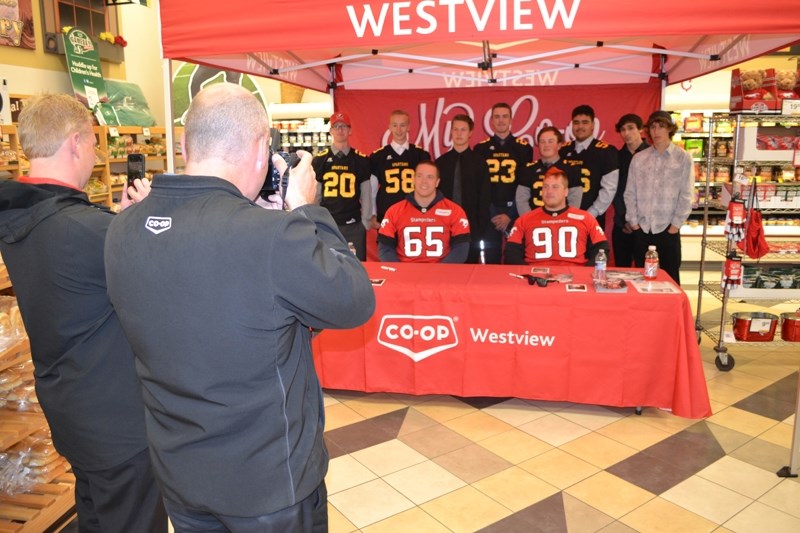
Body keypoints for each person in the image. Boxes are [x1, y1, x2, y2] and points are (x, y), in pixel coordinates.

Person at [103, 83, 376, 531]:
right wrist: (307, 210)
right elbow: (354, 301)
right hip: (267, 483)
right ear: (260, 149)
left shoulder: (122, 227)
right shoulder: (271, 235)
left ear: (185, 144)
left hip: (180, 474)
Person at [0, 94, 167, 532]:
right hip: (120, 424)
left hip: (72, 411)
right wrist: (140, 225)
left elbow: (76, 264)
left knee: (96, 515)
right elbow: (165, 287)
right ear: (75, 142)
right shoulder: (91, 232)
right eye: (94, 143)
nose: (96, 155)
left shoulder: (24, 216)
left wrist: (117, 224)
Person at [624, 110, 693, 284]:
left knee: (671, 280)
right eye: (653, 127)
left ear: (670, 129)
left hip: (668, 229)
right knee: (642, 278)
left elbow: (686, 194)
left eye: (661, 127)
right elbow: (630, 192)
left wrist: (675, 226)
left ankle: (671, 311)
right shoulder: (639, 159)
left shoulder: (682, 158)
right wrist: (634, 223)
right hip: (642, 229)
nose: (656, 131)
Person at [504, 167, 608, 266]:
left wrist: (586, 273)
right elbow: (511, 252)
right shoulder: (524, 219)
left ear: (566, 191)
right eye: (545, 187)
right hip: (535, 277)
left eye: (555, 187)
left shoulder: (586, 218)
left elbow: (602, 248)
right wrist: (526, 274)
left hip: (574, 277)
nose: (549, 191)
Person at [473, 102, 533, 264]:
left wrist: (510, 214)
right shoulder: (480, 149)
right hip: (489, 211)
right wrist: (492, 213)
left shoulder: (524, 148)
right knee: (490, 257)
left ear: (511, 119)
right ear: (491, 120)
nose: (501, 121)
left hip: (514, 211)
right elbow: (480, 186)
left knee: (514, 256)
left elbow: (524, 186)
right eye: (497, 117)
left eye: (505, 116)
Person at [378, 160, 471, 263]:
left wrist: (440, 273)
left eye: (430, 177)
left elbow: (460, 249)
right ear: (413, 179)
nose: (424, 181)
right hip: (406, 274)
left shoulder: (455, 211)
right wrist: (400, 271)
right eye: (419, 176)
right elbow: (385, 248)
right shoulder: (394, 211)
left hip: (441, 275)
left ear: (437, 182)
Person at [312, 111, 372, 260]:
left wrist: (365, 222)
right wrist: (315, 220)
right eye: (336, 126)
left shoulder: (360, 159)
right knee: (327, 264)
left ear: (350, 130)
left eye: (344, 126)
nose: (340, 130)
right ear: (330, 130)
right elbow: (316, 195)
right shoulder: (320, 160)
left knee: (357, 265)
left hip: (353, 224)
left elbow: (366, 194)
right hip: (327, 224)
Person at [435, 114, 491, 263]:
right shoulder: (440, 163)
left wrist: (480, 228)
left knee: (469, 270)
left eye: (463, 130)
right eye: (456, 130)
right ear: (451, 132)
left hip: (471, 227)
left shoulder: (479, 163)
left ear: (470, 132)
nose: (459, 134)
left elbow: (484, 198)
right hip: (443, 226)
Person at [559, 104, 619, 231]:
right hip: (564, 218)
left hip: (592, 218)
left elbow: (609, 189)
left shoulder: (607, 151)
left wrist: (590, 214)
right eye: (576, 122)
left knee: (593, 251)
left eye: (585, 122)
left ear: (593, 125)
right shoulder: (563, 150)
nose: (580, 126)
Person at [369, 109, 431, 228]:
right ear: (389, 127)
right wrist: (372, 213)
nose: (399, 130)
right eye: (395, 125)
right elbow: (372, 189)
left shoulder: (420, 155)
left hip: (415, 214)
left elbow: (428, 186)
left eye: (402, 125)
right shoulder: (378, 156)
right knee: (387, 247)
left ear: (408, 127)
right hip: (387, 214)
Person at [516, 126, 582, 215]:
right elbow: (521, 200)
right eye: (542, 142)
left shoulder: (572, 169)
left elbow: (575, 200)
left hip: (562, 222)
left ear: (559, 145)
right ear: (538, 145)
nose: (546, 145)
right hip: (534, 222)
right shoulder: (528, 169)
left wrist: (565, 220)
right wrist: (529, 221)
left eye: (550, 141)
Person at [612, 113, 649, 267]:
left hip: (647, 224)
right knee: (621, 269)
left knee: (646, 269)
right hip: (622, 224)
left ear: (640, 129)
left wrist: (639, 221)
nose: (626, 133)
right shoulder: (616, 157)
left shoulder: (652, 154)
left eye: (631, 128)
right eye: (623, 129)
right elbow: (615, 190)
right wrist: (625, 219)